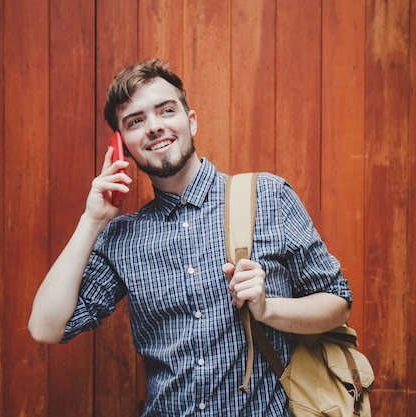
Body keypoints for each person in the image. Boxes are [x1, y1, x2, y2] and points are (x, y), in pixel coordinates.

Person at [28, 59, 352, 416]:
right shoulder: (122, 238)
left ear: (190, 120)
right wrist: (91, 221)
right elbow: (46, 327)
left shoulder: (269, 196)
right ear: (122, 146)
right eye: (135, 121)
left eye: (166, 110)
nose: (154, 127)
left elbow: (337, 304)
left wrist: (268, 308)